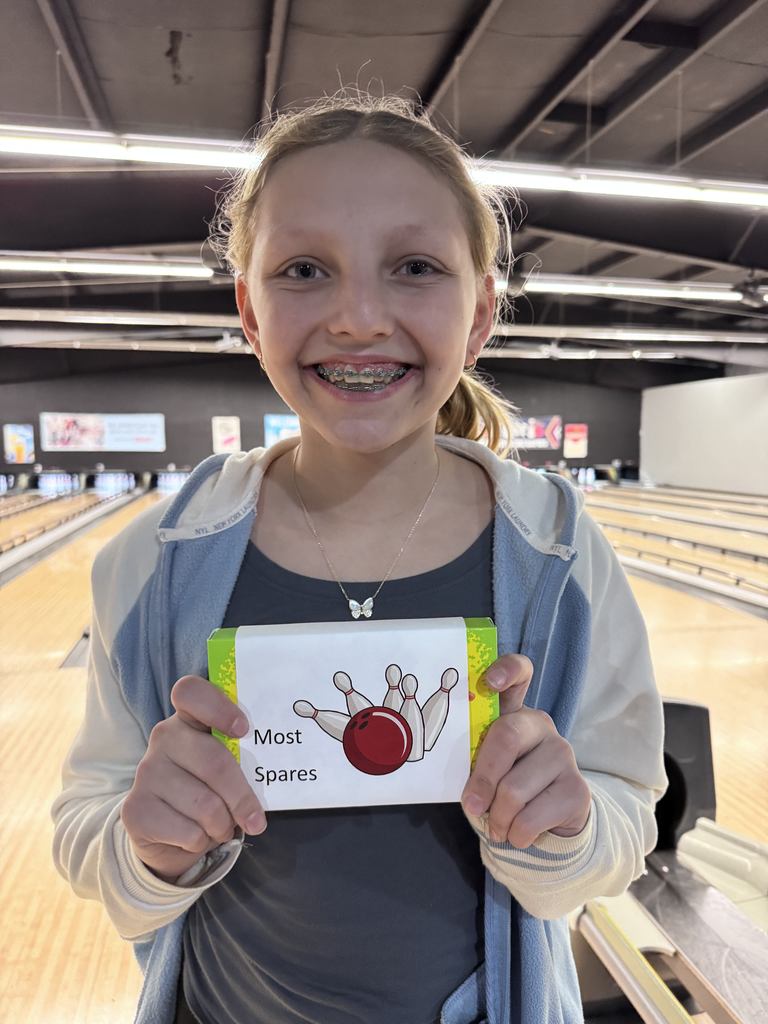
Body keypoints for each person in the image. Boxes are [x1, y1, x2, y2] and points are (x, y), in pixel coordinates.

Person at [51, 92, 667, 1024]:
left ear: (481, 313)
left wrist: (567, 830)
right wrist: (147, 852)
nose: (358, 318)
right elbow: (85, 828)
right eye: (304, 270)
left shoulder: (560, 555)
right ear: (249, 311)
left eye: (415, 267)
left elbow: (624, 825)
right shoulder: (153, 563)